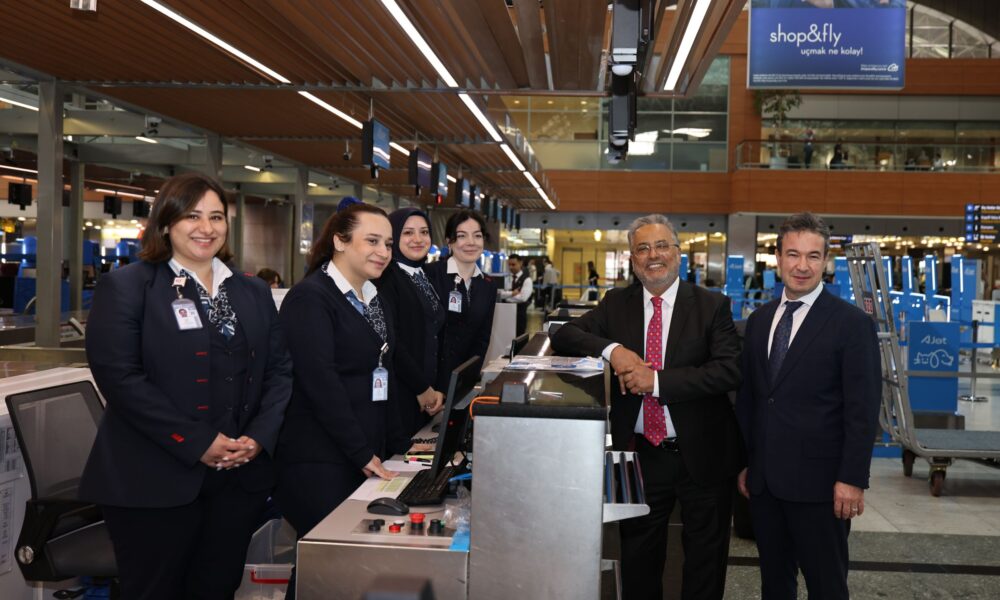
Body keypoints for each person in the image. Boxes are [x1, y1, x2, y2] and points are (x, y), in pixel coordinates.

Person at [81, 172, 293, 599]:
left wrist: (259, 437)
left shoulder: (251, 291)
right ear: (166, 223)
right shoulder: (129, 287)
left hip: (237, 481)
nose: (206, 228)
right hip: (152, 479)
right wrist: (197, 442)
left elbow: (279, 371)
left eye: (216, 217)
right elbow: (121, 378)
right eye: (192, 216)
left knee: (217, 587)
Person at [551, 214, 744, 600]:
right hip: (637, 455)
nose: (653, 255)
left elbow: (729, 371)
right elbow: (564, 333)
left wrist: (655, 382)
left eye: (661, 246)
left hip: (704, 454)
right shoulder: (615, 304)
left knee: (705, 565)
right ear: (632, 258)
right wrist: (614, 350)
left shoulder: (711, 305)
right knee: (638, 561)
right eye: (642, 248)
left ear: (677, 252)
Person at [736, 212, 881, 600]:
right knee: (774, 584)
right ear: (778, 258)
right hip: (765, 485)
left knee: (827, 586)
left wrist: (852, 478)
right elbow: (751, 398)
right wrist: (747, 462)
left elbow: (863, 409)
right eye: (793, 254)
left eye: (813, 256)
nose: (802, 266)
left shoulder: (851, 324)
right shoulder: (759, 321)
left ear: (825, 261)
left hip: (823, 488)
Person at [275, 203, 411, 553]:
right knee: (326, 564)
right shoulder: (310, 298)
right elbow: (321, 384)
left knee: (351, 565)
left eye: (388, 244)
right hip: (320, 459)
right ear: (339, 241)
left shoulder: (374, 298)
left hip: (362, 452)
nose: (383, 252)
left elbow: (386, 372)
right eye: (372, 241)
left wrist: (401, 448)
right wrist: (361, 453)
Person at [375, 207, 446, 437]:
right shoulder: (386, 277)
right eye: (408, 233)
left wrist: (435, 388)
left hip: (427, 393)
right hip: (402, 391)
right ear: (393, 236)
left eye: (424, 232)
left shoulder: (423, 274)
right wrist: (421, 387)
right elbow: (391, 340)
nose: (418, 239)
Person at [424, 210, 497, 393]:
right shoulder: (430, 275)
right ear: (449, 241)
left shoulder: (487, 285)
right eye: (462, 236)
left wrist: (466, 381)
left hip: (461, 385)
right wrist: (425, 388)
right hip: (427, 383)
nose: (471, 242)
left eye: (477, 236)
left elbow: (482, 339)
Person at [498, 253, 533, 336]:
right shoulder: (506, 278)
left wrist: (506, 297)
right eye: (509, 265)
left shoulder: (527, 280)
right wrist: (512, 293)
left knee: (518, 337)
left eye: (513, 264)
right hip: (505, 314)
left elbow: (523, 298)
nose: (511, 267)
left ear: (520, 263)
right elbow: (499, 293)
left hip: (519, 315)